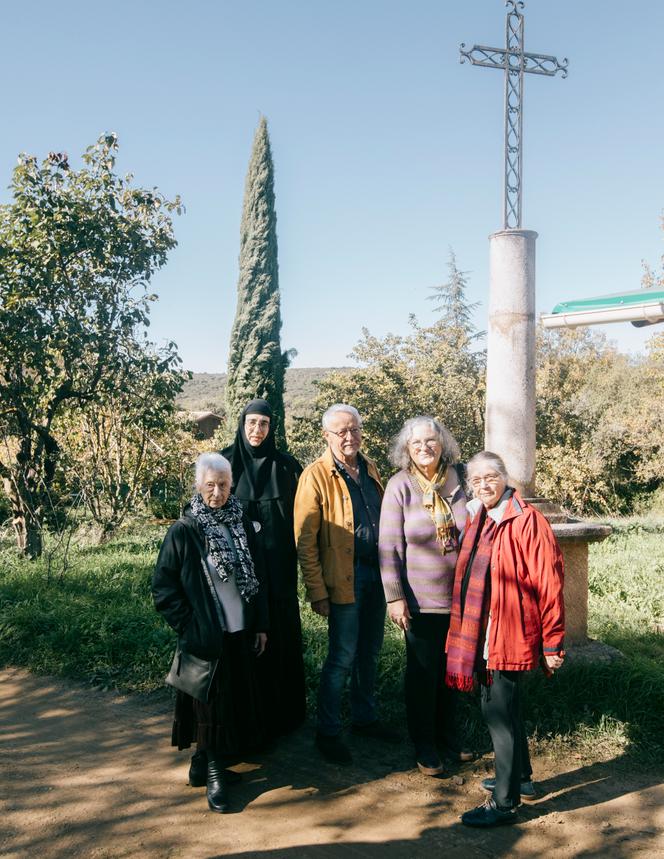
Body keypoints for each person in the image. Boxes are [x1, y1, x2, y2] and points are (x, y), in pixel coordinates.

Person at [445, 451, 565, 828]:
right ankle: (522, 778)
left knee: (499, 715)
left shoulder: (527, 521)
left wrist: (552, 643)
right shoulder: (481, 518)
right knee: (506, 710)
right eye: (476, 480)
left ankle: (504, 803)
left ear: (505, 477)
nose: (483, 485)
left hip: (509, 632)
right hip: (484, 632)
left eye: (490, 477)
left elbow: (549, 584)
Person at [152, 452, 268, 814]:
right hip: (207, 636)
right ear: (198, 487)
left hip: (238, 630)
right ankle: (216, 769)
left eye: (223, 485)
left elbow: (257, 578)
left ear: (232, 486)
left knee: (227, 700)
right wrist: (190, 626)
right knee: (210, 703)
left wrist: (260, 624)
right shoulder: (185, 530)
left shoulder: (242, 524)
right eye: (209, 485)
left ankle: (201, 764)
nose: (216, 492)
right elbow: (163, 588)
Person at [294, 403, 397, 765]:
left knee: (369, 653)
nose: (349, 437)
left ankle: (365, 719)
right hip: (343, 580)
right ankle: (328, 730)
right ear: (327, 436)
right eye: (341, 432)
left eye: (354, 429)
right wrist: (317, 591)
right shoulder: (315, 475)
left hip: (375, 576)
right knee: (341, 658)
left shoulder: (369, 468)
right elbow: (305, 541)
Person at [378, 416, 471, 776]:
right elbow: (389, 546)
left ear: (443, 443)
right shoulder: (399, 486)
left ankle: (450, 735)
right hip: (418, 601)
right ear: (406, 448)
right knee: (423, 672)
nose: (424, 448)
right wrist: (394, 597)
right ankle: (425, 743)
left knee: (453, 670)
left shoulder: (460, 479)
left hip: (461, 599)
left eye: (431, 441)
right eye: (417, 444)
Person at [222, 398, 306, 738]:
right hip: (237, 575)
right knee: (243, 638)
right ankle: (245, 719)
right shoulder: (225, 463)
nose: (257, 430)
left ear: (273, 428)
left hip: (279, 573)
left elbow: (303, 521)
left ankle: (282, 717)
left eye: (264, 424)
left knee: (279, 638)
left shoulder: (287, 467)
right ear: (242, 425)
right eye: (252, 423)